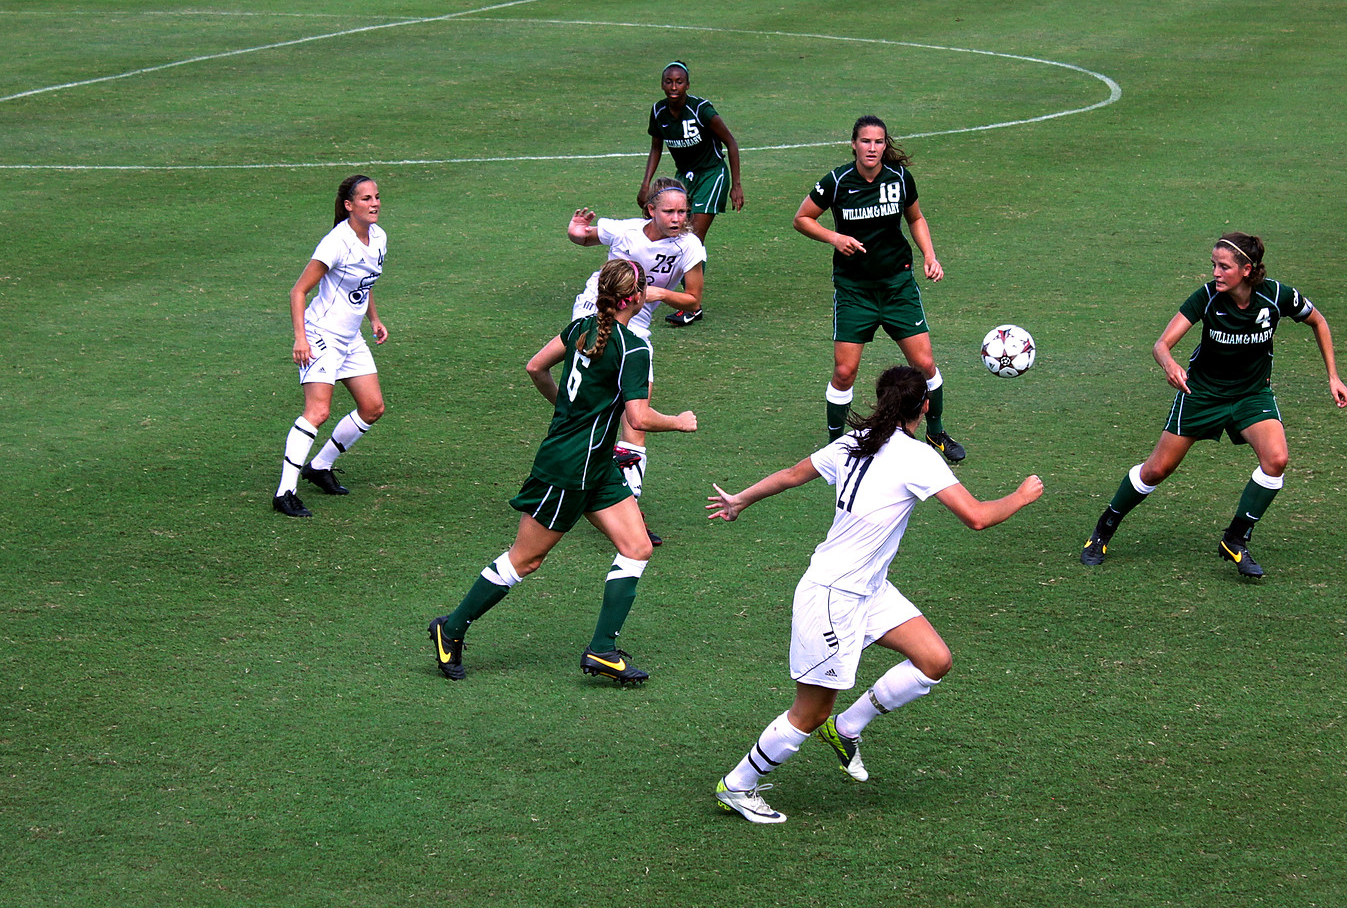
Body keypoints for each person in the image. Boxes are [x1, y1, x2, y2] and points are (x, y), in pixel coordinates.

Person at [704, 365, 1045, 825]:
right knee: (809, 711)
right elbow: (978, 517)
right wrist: (1022, 496)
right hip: (833, 597)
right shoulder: (917, 458)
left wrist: (742, 498)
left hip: (869, 590)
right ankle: (738, 785)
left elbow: (790, 474)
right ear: (924, 408)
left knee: (934, 661)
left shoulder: (853, 442)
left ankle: (847, 728)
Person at [428, 260, 698, 685]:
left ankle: (603, 650)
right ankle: (452, 626)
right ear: (636, 297)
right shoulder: (633, 347)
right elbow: (640, 418)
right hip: (569, 469)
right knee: (526, 559)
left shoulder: (581, 329)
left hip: (598, 465)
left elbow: (536, 366)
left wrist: (563, 407)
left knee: (637, 546)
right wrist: (680, 420)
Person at [1081, 233, 1347, 578]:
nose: (1216, 273)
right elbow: (1162, 344)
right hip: (1202, 395)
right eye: (1214, 265)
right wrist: (1170, 365)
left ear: (1247, 270)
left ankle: (1235, 539)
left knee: (1277, 459)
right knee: (1156, 471)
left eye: (1224, 267)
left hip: (1252, 396)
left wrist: (1333, 376)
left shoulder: (1277, 296)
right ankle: (1104, 527)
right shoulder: (1207, 298)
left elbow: (1319, 321)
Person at [795, 116, 964, 464]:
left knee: (925, 363)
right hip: (855, 290)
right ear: (854, 144)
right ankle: (834, 444)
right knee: (844, 372)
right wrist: (835, 237)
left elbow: (915, 218)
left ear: (885, 145)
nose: (872, 148)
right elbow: (802, 218)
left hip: (897, 286)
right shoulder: (838, 181)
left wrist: (930, 256)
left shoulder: (899, 178)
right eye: (866, 141)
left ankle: (936, 431)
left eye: (879, 142)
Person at [566, 178, 705, 536]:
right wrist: (575, 231)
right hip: (594, 309)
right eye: (670, 211)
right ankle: (615, 503)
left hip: (637, 323)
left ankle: (625, 502)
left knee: (635, 416)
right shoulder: (624, 231)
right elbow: (584, 236)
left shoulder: (689, 246)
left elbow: (693, 299)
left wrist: (658, 293)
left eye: (683, 211)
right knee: (605, 404)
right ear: (651, 211)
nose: (678, 218)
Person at [276, 175, 390, 518]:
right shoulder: (335, 243)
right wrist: (301, 338)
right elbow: (298, 291)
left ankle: (320, 467)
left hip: (351, 336)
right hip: (321, 334)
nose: (375, 203)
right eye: (366, 198)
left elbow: (365, 281)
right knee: (318, 412)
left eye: (377, 197)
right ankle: (285, 492)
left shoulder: (379, 237)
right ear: (349, 205)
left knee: (372, 407)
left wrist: (373, 319)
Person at [638, 62, 742, 326]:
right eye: (669, 82)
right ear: (662, 84)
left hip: (712, 174)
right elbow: (655, 147)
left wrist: (736, 185)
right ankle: (686, 297)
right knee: (677, 234)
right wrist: (645, 183)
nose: (674, 87)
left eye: (679, 82)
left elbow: (730, 142)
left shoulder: (701, 110)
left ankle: (692, 304)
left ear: (688, 84)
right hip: (685, 176)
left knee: (691, 238)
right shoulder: (658, 111)